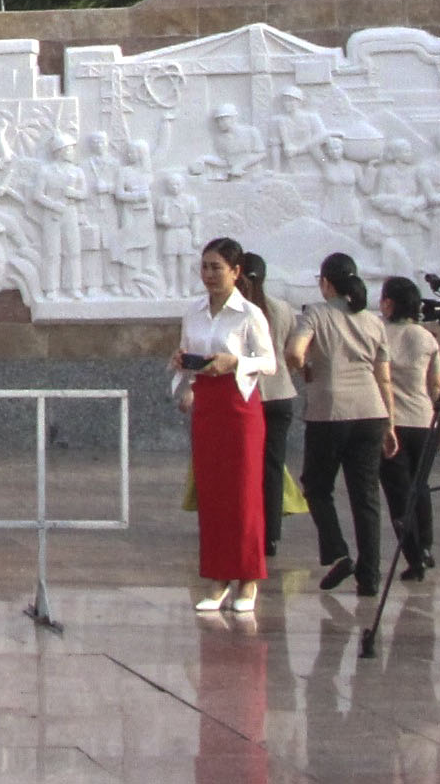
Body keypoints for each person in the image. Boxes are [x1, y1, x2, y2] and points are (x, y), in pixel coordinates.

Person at [173, 237, 276, 614]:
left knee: (244, 495)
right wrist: (183, 363)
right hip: (208, 407)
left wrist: (234, 363)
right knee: (213, 495)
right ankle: (217, 578)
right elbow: (187, 351)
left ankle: (248, 579)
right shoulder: (194, 311)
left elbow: (269, 362)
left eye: (217, 268)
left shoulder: (249, 313)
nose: (209, 275)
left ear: (235, 272)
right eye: (205, 267)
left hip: (240, 407)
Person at [286, 250, 397, 597]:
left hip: (330, 411)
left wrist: (305, 367)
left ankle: (337, 551)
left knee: (317, 485)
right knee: (365, 496)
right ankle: (370, 575)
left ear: (325, 283)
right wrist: (390, 425)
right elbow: (385, 378)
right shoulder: (373, 321)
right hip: (372, 412)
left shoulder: (316, 314)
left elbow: (293, 351)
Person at [378, 276, 440, 582]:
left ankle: (413, 555)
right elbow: (436, 385)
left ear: (389, 303)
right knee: (421, 487)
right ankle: (427, 547)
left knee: (397, 493)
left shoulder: (379, 334)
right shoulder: (426, 337)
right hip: (424, 420)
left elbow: (380, 379)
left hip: (392, 422)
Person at [240, 252, 302, 559]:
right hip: (281, 394)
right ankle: (271, 535)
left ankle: (247, 527)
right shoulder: (282, 309)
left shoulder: (240, 311)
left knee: (245, 467)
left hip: (250, 397)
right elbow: (292, 350)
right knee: (273, 467)